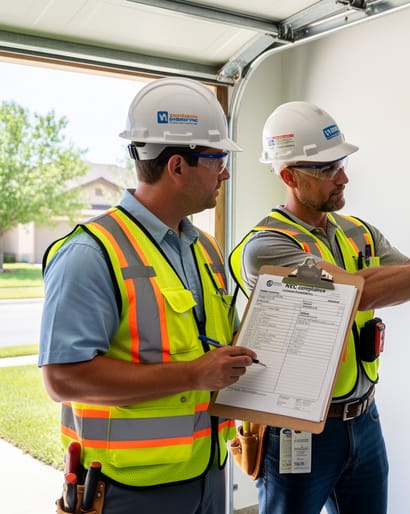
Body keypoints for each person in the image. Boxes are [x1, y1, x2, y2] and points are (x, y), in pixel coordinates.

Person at [229, 101, 410, 514]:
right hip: (297, 430)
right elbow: (356, 293)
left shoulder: (358, 232)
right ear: (289, 176)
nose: (344, 177)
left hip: (363, 420)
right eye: (329, 169)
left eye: (342, 164)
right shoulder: (267, 247)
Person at [39, 77, 259, 514]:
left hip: (208, 473)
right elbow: (62, 379)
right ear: (177, 167)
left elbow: (214, 350)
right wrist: (194, 375)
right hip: (128, 489)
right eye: (217, 159)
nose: (226, 172)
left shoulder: (205, 249)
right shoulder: (90, 253)